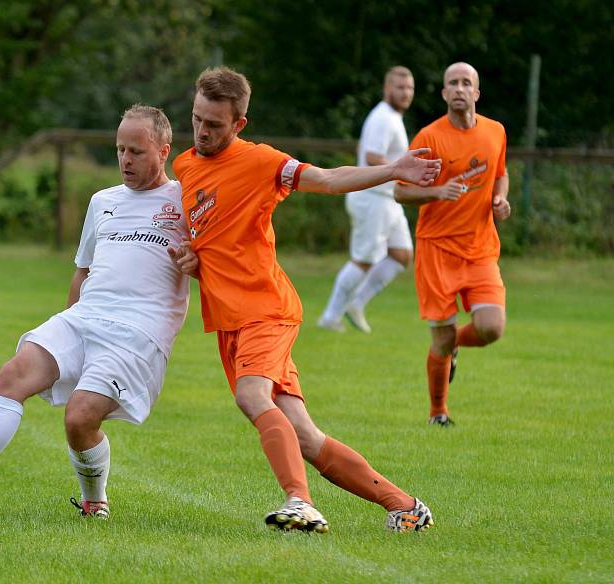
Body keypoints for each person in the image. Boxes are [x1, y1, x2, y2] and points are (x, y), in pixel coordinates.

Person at [173, 67, 439, 533]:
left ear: (239, 125)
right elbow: (205, 234)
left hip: (266, 310)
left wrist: (394, 169)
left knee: (251, 396)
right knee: (305, 435)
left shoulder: (261, 162)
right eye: (196, 119)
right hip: (230, 320)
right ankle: (406, 506)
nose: (201, 131)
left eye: (214, 124)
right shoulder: (185, 165)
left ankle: (300, 501)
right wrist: (191, 256)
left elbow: (330, 179)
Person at [0, 104, 198, 518]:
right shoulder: (102, 201)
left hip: (138, 333)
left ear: (164, 151)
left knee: (79, 419)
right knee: (13, 373)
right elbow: (83, 271)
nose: (125, 160)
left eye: (136, 151)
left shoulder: (185, 199)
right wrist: (66, 330)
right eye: (119, 150)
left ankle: (95, 499)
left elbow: (217, 263)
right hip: (85, 318)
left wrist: (198, 263)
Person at [394, 62, 510, 426]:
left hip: (480, 248)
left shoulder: (495, 132)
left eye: (466, 83)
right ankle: (438, 412)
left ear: (476, 93)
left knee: (492, 327)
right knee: (440, 338)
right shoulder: (429, 138)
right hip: (436, 249)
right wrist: (436, 191)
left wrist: (500, 200)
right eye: (452, 83)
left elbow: (501, 175)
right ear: (444, 94)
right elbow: (400, 191)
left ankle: (453, 345)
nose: (459, 88)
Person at [319, 67, 416, 334]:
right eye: (399, 87)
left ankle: (356, 304)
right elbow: (372, 156)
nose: (405, 93)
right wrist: (403, 171)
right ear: (387, 89)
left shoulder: (392, 117)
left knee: (401, 255)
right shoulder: (383, 117)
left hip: (387, 199)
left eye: (409, 88)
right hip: (372, 197)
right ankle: (329, 317)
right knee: (364, 260)